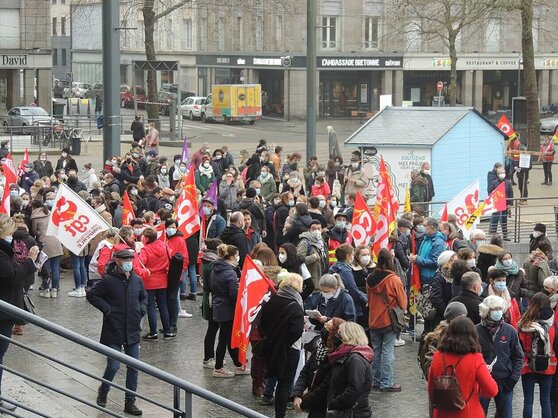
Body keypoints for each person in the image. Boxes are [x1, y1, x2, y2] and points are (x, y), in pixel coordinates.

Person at [87, 249, 147, 416]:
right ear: (118, 261)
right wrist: (107, 310)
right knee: (113, 365)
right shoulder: (108, 280)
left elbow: (143, 297)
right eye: (125, 259)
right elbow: (92, 295)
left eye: (131, 259)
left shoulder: (136, 280)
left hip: (133, 330)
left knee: (133, 367)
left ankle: (130, 401)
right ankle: (104, 389)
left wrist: (141, 310)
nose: (129, 262)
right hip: (114, 328)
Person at [0, 215, 38, 412]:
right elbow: (12, 277)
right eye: (9, 232)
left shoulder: (6, 250)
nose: (12, 236)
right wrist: (31, 260)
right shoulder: (1, 253)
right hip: (3, 313)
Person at [428, 317, 498, 418]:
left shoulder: (438, 356)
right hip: (468, 412)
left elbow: (431, 389)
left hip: (441, 414)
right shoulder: (475, 359)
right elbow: (492, 390)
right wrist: (476, 389)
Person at [258, 273, 305, 418]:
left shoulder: (271, 300)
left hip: (272, 347)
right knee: (285, 384)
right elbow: (296, 331)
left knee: (272, 376)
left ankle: (267, 396)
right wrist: (284, 342)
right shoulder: (296, 305)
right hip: (289, 350)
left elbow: (261, 324)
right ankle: (280, 414)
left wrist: (273, 340)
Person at [366, 248, 407, 392]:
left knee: (376, 352)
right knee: (388, 352)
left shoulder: (370, 278)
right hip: (388, 320)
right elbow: (402, 303)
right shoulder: (393, 279)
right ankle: (387, 382)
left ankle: (375, 381)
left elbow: (369, 299)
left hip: (373, 319)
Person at [476, 295, 523, 418]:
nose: (498, 312)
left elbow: (518, 356)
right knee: (479, 414)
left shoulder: (510, 331)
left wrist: (513, 379)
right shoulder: (475, 331)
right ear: (486, 311)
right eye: (494, 309)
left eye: (499, 309)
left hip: (504, 381)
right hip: (482, 382)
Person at [292, 318, 345, 417]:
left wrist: (303, 402)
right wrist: (297, 393)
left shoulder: (337, 357)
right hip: (314, 405)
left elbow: (324, 388)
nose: (324, 330)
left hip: (326, 407)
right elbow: (305, 372)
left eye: (327, 328)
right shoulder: (318, 348)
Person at [211, 244, 249, 377]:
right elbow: (234, 294)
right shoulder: (230, 273)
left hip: (219, 306)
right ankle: (219, 367)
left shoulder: (215, 268)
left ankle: (237, 363)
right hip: (228, 309)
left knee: (226, 338)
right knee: (224, 339)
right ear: (232, 256)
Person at [518, 292, 557, 418]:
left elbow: (519, 346)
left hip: (528, 364)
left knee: (528, 400)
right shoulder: (552, 323)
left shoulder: (524, 322)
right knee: (545, 401)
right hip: (548, 365)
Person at [326, 322, 373, 417]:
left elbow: (354, 389)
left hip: (352, 413)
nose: (337, 337)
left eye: (340, 333)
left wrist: (335, 403)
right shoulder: (347, 356)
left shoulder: (355, 359)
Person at [138, 227, 174, 340]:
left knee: (151, 307)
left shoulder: (145, 250)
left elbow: (140, 263)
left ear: (147, 238)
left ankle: (153, 332)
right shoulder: (164, 246)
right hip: (163, 279)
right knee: (163, 306)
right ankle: (167, 331)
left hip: (149, 280)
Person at [418, 301, 468, 381]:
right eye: (463, 316)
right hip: (443, 384)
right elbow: (430, 369)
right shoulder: (438, 338)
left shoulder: (461, 335)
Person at [31, 199, 63, 298]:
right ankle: (54, 290)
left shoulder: (35, 217)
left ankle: (46, 290)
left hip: (44, 244)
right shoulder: (50, 213)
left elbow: (35, 232)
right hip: (56, 242)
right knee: (55, 268)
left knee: (45, 269)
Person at [329, 244, 367, 325]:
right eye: (352, 255)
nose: (353, 257)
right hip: (346, 306)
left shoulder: (334, 267)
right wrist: (366, 299)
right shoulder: (344, 270)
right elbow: (353, 290)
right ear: (347, 256)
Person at [409, 217, 447, 287]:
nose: (422, 227)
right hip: (423, 275)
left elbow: (436, 262)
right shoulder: (426, 239)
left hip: (431, 278)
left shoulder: (438, 242)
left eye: (424, 225)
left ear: (431, 226)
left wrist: (417, 259)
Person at [429, 250, 457, 331]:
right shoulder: (439, 278)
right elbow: (436, 298)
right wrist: (446, 313)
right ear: (447, 262)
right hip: (440, 315)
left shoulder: (454, 276)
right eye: (454, 261)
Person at [296, 220, 328, 291]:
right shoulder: (304, 243)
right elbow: (298, 261)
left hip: (321, 284)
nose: (316, 231)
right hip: (311, 285)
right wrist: (313, 257)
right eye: (313, 229)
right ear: (309, 230)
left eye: (318, 229)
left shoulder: (322, 243)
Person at [488, 167, 513, 240]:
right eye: (501, 173)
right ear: (498, 174)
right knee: (495, 219)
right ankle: (494, 236)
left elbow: (511, 193)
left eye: (503, 173)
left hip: (505, 204)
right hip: (497, 204)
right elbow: (490, 192)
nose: (502, 174)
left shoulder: (508, 183)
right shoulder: (494, 183)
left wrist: (509, 204)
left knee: (504, 220)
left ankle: (505, 236)